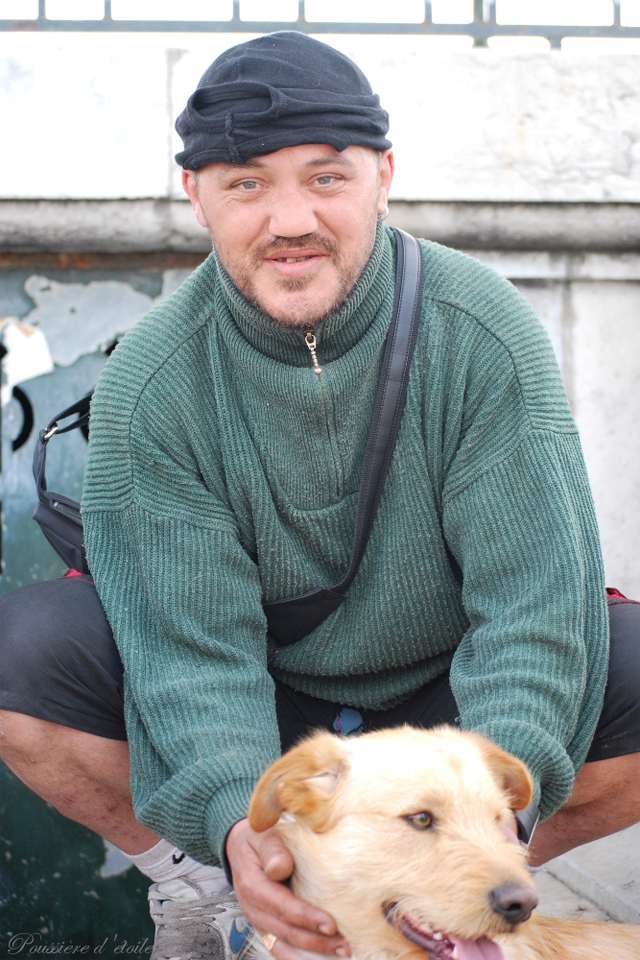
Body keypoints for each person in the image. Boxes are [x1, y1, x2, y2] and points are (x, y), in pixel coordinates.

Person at [1, 30, 639, 960]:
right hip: (271, 708)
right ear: (197, 195)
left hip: (446, 704)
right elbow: (190, 655)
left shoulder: (483, 332)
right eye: (247, 182)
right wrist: (234, 820)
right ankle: (210, 887)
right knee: (25, 658)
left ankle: (459, 882)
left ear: (384, 175)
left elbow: (535, 610)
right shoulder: (155, 377)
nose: (290, 217)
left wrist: (477, 828)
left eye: (327, 178)